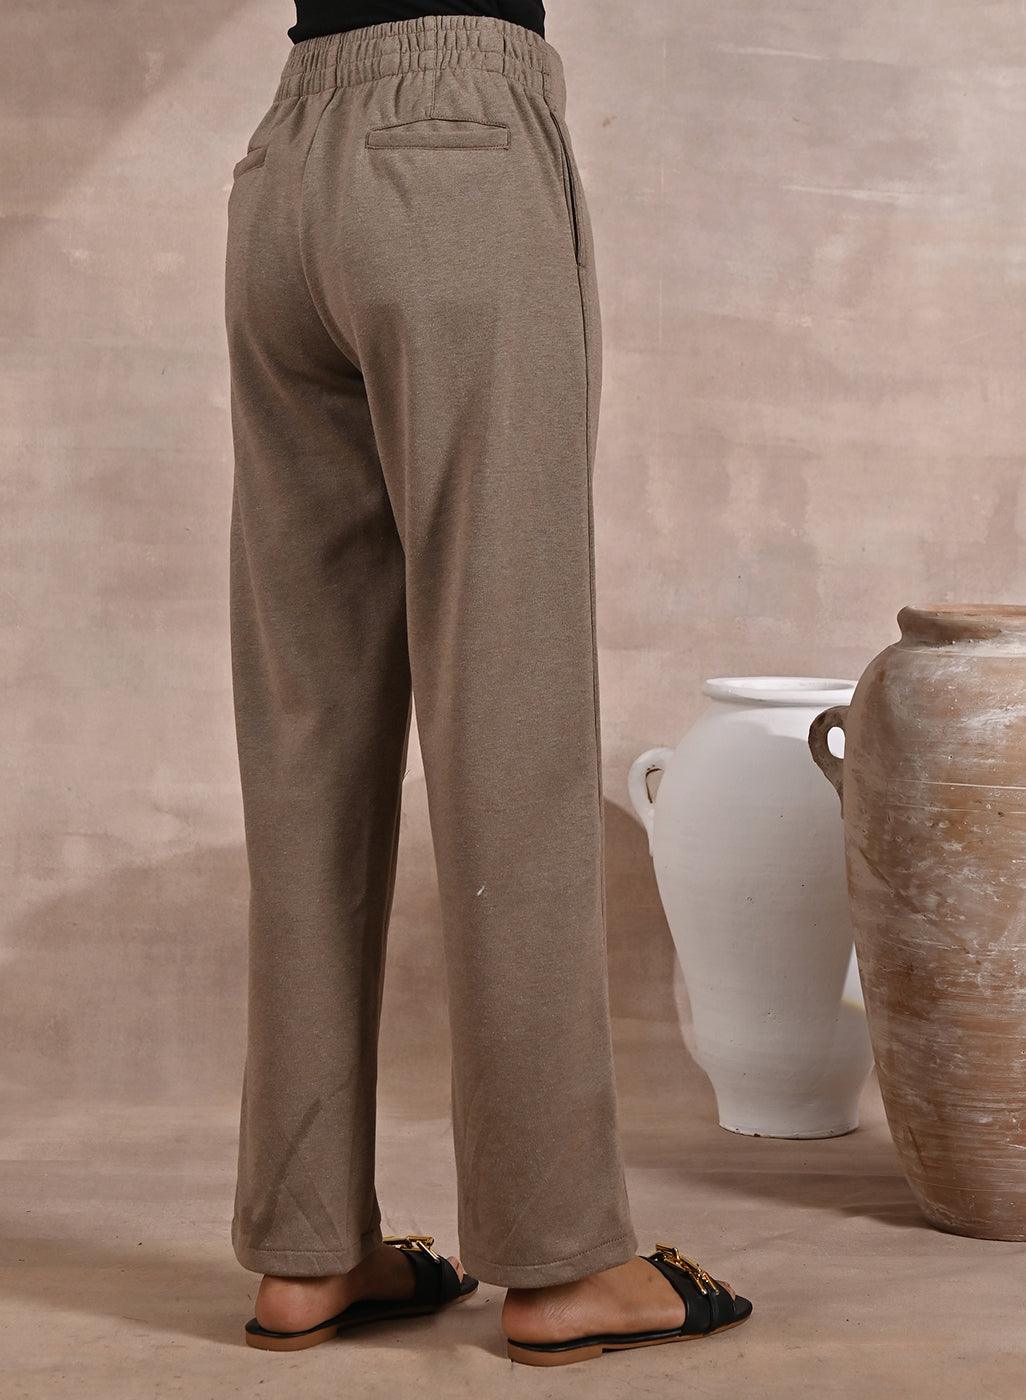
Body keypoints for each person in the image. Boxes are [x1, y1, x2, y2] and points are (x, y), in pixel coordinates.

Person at [224, 1, 753, 1366]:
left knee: (305, 731)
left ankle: (305, 1248)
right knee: (508, 711)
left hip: (283, 161)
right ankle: (562, 1258)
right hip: (455, 137)